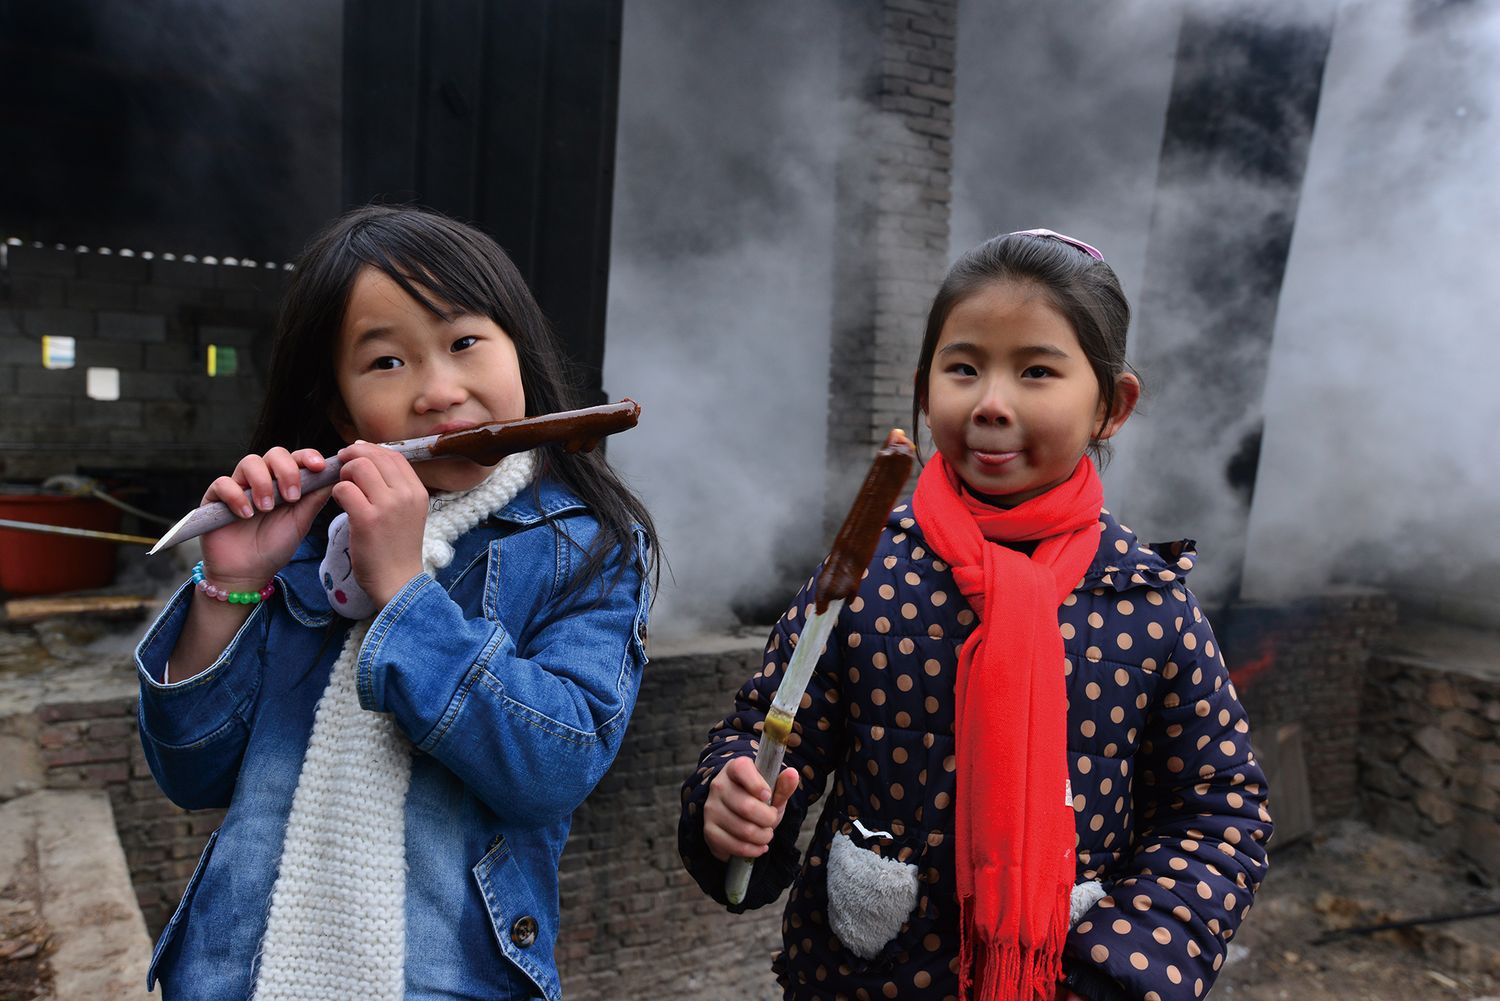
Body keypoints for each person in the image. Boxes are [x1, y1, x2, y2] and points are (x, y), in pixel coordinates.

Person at [678, 229, 1271, 1001]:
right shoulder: (865, 574)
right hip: (857, 979)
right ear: (925, 389)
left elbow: (1218, 809)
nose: (992, 403)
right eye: (963, 367)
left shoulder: (1149, 605)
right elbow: (770, 725)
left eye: (1035, 371)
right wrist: (731, 801)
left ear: (1112, 405)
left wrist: (1120, 968)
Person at [136, 205, 658, 1001]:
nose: (439, 392)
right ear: (342, 410)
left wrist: (405, 592)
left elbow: (554, 766)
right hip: (234, 979)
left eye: (465, 342)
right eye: (386, 362)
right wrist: (232, 587)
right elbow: (192, 774)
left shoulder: (591, 547)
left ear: (520, 346)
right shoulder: (306, 538)